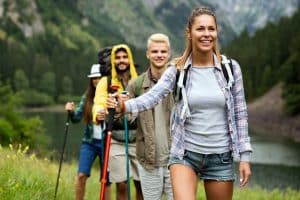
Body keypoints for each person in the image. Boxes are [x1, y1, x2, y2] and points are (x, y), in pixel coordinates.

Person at [112, 7, 252, 200]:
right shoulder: (177, 70)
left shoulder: (230, 69)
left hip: (221, 156)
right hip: (185, 154)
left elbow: (240, 114)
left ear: (216, 32)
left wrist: (244, 156)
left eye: (211, 29)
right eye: (200, 29)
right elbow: (152, 96)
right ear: (189, 32)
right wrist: (124, 106)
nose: (206, 34)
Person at [126, 33, 174, 200]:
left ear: (169, 53)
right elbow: (128, 118)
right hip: (148, 160)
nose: (159, 55)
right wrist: (120, 109)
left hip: (176, 160)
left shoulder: (178, 82)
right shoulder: (136, 84)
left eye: (163, 51)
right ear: (148, 54)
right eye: (155, 51)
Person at [93, 44, 143, 200]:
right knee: (121, 184)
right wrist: (99, 113)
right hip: (115, 138)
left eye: (124, 57)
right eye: (118, 58)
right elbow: (99, 103)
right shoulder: (106, 82)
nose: (122, 61)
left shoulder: (139, 80)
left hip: (139, 140)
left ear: (130, 59)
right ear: (113, 61)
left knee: (141, 185)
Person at [65, 64, 111, 200]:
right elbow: (76, 117)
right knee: (81, 175)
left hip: (106, 143)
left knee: (106, 180)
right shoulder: (87, 97)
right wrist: (71, 111)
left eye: (99, 77)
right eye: (94, 78)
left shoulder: (110, 96)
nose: (96, 81)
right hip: (89, 143)